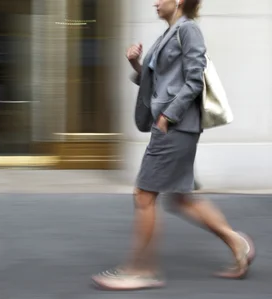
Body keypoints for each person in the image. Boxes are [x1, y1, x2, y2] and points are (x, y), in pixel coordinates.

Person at [91, 0, 255, 290]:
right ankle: (237, 242)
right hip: (172, 126)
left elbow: (194, 80)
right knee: (180, 197)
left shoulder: (189, 30)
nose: (154, 2)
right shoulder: (169, 33)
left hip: (175, 126)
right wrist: (135, 64)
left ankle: (142, 270)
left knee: (144, 194)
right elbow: (158, 83)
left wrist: (168, 116)